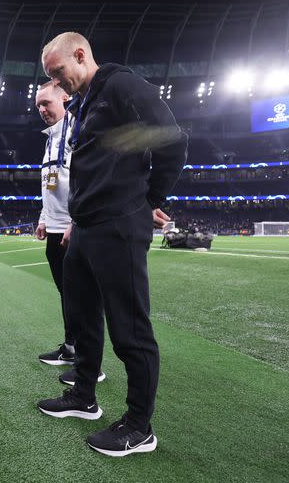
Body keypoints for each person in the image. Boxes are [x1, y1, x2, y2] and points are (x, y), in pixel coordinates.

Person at [35, 32, 187, 457]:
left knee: (130, 330)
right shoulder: (84, 103)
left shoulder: (121, 85)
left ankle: (140, 427)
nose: (57, 81)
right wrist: (74, 220)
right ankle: (84, 396)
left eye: (58, 72)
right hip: (84, 228)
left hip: (119, 225)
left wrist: (150, 201)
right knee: (82, 317)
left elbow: (173, 140)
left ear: (80, 55)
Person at [34, 82, 106, 386]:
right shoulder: (50, 138)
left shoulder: (77, 130)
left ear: (65, 97)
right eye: (38, 105)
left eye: (46, 103)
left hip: (73, 228)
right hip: (53, 227)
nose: (41, 110)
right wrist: (42, 218)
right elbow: (52, 183)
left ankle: (92, 365)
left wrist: (73, 222)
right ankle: (71, 347)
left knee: (84, 298)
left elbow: (87, 178)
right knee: (67, 295)